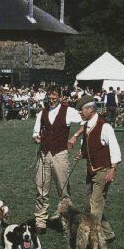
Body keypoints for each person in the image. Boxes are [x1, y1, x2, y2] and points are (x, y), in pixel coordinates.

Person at [32, 86, 83, 234]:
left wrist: (74, 136)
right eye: (50, 97)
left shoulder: (68, 111)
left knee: (63, 189)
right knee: (41, 188)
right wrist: (36, 137)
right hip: (43, 154)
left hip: (60, 154)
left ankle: (66, 220)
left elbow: (85, 121)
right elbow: (36, 132)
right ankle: (40, 222)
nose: (52, 100)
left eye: (55, 97)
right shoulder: (42, 113)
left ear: (60, 97)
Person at [76, 94, 121, 242]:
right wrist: (81, 154)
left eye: (81, 110)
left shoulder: (104, 126)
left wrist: (112, 169)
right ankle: (108, 234)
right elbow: (90, 146)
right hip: (91, 170)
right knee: (89, 203)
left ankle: (92, 239)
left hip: (103, 170)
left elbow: (114, 148)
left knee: (95, 204)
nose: (80, 113)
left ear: (90, 109)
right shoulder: (87, 125)